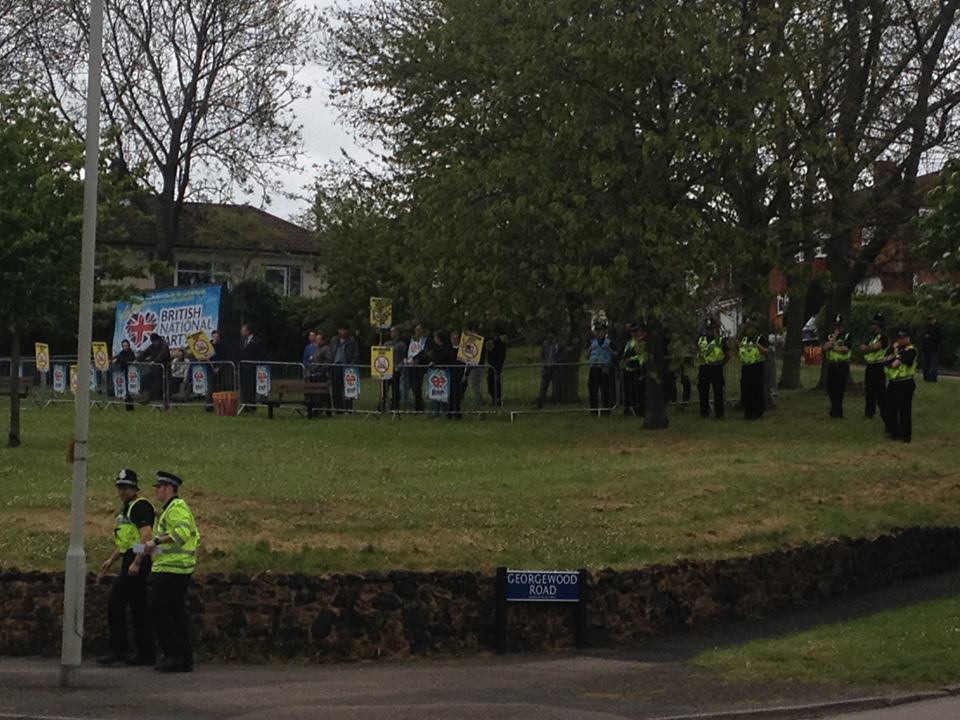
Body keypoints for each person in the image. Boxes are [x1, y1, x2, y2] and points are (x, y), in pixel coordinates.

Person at [96, 469, 155, 666]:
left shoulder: (139, 507)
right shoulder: (127, 508)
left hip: (139, 561)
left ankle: (118, 650)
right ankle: (145, 653)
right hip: (133, 559)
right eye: (120, 487)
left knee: (116, 603)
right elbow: (128, 543)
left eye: (126, 487)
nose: (122, 491)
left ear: (134, 488)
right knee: (138, 607)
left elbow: (146, 538)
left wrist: (136, 561)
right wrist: (111, 560)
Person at [143, 471, 200, 673]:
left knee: (159, 611)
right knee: (175, 614)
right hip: (175, 568)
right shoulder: (171, 509)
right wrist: (143, 549)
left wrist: (156, 541)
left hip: (171, 570)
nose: (156, 490)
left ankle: (173, 655)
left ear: (168, 488)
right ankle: (183, 658)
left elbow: (181, 534)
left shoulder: (176, 508)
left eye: (159, 487)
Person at [884, 328, 918, 443]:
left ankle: (905, 435)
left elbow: (895, 364)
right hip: (894, 382)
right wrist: (893, 354)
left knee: (904, 410)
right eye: (899, 338)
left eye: (903, 338)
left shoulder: (911, 350)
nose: (900, 340)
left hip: (905, 382)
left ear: (908, 338)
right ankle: (894, 432)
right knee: (890, 408)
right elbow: (885, 359)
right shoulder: (896, 349)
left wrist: (895, 354)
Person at [738, 319, 770, 420]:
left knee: (756, 391)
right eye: (747, 329)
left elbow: (767, 351)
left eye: (751, 329)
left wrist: (758, 346)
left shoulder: (760, 339)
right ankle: (748, 413)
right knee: (746, 391)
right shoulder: (743, 340)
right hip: (746, 367)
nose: (749, 331)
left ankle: (758, 412)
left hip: (756, 366)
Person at [859, 313, 888, 419]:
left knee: (880, 391)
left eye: (874, 324)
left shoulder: (883, 337)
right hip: (870, 366)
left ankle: (884, 412)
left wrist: (867, 348)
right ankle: (869, 412)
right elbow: (862, 347)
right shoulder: (871, 337)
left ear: (878, 325)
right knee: (869, 390)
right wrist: (868, 348)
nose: (871, 326)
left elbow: (875, 348)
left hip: (879, 366)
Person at [822, 314, 852, 418]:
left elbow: (845, 349)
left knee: (840, 388)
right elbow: (825, 347)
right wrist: (834, 338)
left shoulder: (847, 335)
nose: (837, 328)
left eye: (839, 326)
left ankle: (838, 410)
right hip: (832, 364)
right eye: (835, 326)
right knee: (831, 388)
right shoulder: (830, 335)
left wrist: (833, 347)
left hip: (842, 364)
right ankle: (834, 408)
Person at [697, 318, 727, 419]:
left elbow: (727, 353)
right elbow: (697, 351)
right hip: (704, 367)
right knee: (703, 391)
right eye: (709, 329)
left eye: (712, 329)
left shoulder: (720, 340)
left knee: (718, 391)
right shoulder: (701, 340)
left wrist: (723, 362)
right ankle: (704, 413)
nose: (710, 331)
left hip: (716, 367)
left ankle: (719, 413)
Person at [329, 325, 359, 412]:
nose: (342, 332)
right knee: (336, 388)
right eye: (341, 330)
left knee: (347, 387)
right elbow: (331, 352)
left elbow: (355, 354)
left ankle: (348, 407)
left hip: (346, 367)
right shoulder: (334, 340)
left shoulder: (352, 341)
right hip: (335, 365)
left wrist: (351, 364)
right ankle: (337, 407)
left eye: (344, 330)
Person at [621, 324, 648, 417]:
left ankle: (639, 409)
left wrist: (631, 359)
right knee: (629, 390)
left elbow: (642, 353)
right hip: (629, 369)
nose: (634, 334)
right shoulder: (630, 342)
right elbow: (626, 353)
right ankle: (629, 408)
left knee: (639, 390)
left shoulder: (643, 342)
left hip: (639, 368)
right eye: (633, 332)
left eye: (636, 331)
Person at [587, 326, 614, 414]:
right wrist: (589, 349)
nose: (598, 333)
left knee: (605, 389)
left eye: (600, 331)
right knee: (593, 389)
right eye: (597, 331)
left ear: (604, 332)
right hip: (594, 367)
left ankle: (606, 410)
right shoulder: (592, 343)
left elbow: (615, 354)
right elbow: (586, 355)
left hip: (604, 368)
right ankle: (593, 410)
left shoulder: (609, 342)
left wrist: (609, 349)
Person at [239, 323, 266, 410]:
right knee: (244, 386)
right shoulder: (242, 341)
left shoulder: (256, 340)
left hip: (252, 367)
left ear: (247, 331)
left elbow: (260, 353)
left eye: (243, 331)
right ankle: (245, 404)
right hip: (243, 367)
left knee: (251, 386)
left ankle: (251, 405)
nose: (241, 332)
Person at [137, 332, 170, 403]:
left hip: (163, 368)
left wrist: (155, 361)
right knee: (145, 378)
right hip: (155, 368)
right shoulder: (152, 346)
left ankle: (156, 397)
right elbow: (145, 353)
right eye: (153, 342)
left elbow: (163, 355)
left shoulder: (164, 345)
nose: (154, 343)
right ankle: (144, 396)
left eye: (155, 341)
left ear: (158, 340)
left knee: (157, 382)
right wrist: (137, 359)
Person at [536, 330, 564, 409]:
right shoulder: (545, 344)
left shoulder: (558, 345)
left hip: (554, 367)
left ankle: (556, 401)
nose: (550, 338)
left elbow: (562, 355)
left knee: (555, 386)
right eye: (549, 336)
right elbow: (542, 354)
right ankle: (540, 402)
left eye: (552, 336)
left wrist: (557, 361)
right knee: (543, 385)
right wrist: (543, 363)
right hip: (546, 367)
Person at [405, 324, 429, 412]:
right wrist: (406, 358)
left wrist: (416, 359)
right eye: (416, 330)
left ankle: (418, 406)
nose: (417, 332)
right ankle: (419, 403)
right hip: (409, 364)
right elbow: (407, 350)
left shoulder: (425, 340)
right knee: (412, 385)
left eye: (419, 330)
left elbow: (424, 352)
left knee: (417, 385)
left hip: (419, 366)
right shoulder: (411, 339)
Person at [112, 340, 136, 412]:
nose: (125, 347)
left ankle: (130, 406)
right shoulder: (121, 353)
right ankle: (127, 404)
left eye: (126, 346)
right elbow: (117, 357)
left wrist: (118, 360)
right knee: (125, 390)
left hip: (131, 374)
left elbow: (128, 359)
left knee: (130, 391)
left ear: (129, 346)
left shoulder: (131, 353)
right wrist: (115, 359)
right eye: (124, 346)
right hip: (123, 373)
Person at [387, 326, 407, 411]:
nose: (392, 334)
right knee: (385, 388)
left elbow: (404, 357)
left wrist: (400, 366)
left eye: (394, 332)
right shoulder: (387, 344)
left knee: (395, 388)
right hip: (387, 369)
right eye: (391, 332)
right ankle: (382, 404)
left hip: (396, 369)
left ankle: (395, 405)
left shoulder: (402, 344)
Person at [486, 331, 508, 407]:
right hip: (491, 367)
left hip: (498, 366)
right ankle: (494, 398)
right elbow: (489, 357)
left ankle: (498, 399)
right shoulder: (491, 343)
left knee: (497, 384)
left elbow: (501, 356)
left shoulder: (500, 344)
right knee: (490, 384)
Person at [920, 314, 941, 382]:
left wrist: (930, 336)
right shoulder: (925, 328)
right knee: (925, 365)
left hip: (933, 349)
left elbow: (939, 338)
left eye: (932, 319)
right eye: (929, 320)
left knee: (933, 365)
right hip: (926, 349)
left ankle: (933, 379)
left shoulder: (937, 328)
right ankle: (926, 378)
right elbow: (922, 336)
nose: (931, 321)